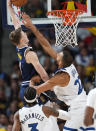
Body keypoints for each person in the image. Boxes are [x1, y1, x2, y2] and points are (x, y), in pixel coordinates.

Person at [21, 13, 95, 130]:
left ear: (60, 61)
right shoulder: (69, 66)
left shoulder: (61, 77)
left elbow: (38, 90)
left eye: (58, 56)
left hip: (78, 110)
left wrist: (30, 83)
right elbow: (46, 45)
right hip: (84, 108)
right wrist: (32, 27)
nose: (56, 55)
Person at [8, 1, 49, 103]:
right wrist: (51, 86)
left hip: (24, 88)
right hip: (32, 88)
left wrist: (9, 6)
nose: (25, 34)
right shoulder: (30, 54)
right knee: (48, 113)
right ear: (21, 39)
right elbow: (43, 75)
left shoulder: (19, 46)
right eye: (24, 34)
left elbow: (15, 22)